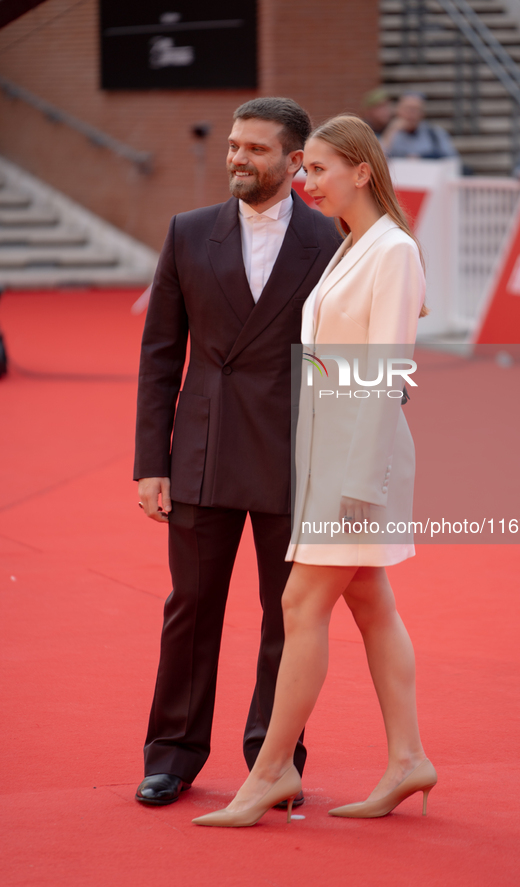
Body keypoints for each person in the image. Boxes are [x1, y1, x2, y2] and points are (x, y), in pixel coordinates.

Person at [192, 116, 436, 828]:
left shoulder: (389, 250)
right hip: (331, 458)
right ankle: (407, 758)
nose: (306, 183)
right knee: (370, 604)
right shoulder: (354, 244)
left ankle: (270, 769)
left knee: (299, 606)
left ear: (362, 170)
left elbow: (386, 373)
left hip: (357, 466)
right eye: (305, 171)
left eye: (320, 169)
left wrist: (357, 484)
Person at [134, 97, 341, 806]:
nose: (236, 159)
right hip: (201, 451)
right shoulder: (188, 233)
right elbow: (160, 354)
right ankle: (172, 753)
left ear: (292, 162)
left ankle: (272, 755)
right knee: (191, 607)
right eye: (232, 146)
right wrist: (150, 461)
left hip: (294, 456)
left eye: (254, 149)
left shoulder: (331, 240)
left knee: (288, 612)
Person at [381, 91, 457, 160]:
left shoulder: (435, 134)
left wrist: (423, 158)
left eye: (415, 109)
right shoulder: (387, 133)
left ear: (422, 113)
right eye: (407, 109)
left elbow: (452, 160)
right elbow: (379, 161)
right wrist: (390, 132)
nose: (411, 114)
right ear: (398, 110)